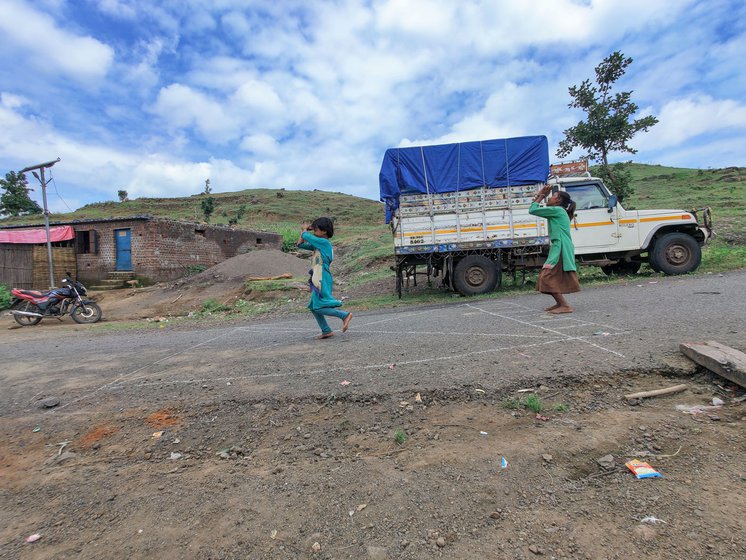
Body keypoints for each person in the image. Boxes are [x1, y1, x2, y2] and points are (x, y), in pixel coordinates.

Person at [297, 217, 352, 339]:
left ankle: (344, 315)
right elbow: (300, 245)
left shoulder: (324, 243)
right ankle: (326, 330)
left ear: (324, 231)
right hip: (318, 276)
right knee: (313, 306)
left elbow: (306, 236)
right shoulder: (318, 245)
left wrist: (305, 229)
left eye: (316, 229)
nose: (314, 231)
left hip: (322, 276)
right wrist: (305, 230)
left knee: (318, 306)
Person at [529, 185, 580, 314]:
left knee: (547, 276)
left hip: (561, 247)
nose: (549, 198)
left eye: (552, 197)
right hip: (558, 247)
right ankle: (559, 303)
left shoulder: (557, 210)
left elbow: (533, 209)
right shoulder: (557, 211)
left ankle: (565, 305)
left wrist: (541, 195)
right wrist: (542, 196)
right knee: (549, 275)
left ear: (558, 201)